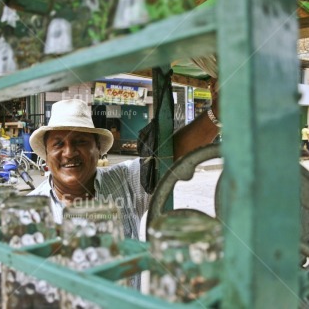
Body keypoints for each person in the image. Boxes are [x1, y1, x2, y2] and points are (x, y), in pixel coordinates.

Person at [28, 78, 220, 240]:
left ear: (98, 150)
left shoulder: (125, 180)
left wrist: (216, 114)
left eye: (80, 141)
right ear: (46, 154)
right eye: (58, 144)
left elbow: (170, 156)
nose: (69, 152)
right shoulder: (29, 211)